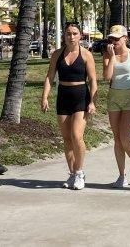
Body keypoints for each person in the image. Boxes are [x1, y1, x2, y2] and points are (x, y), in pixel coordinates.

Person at [41, 22, 97, 190]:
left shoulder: (86, 55)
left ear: (80, 35)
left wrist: (93, 101)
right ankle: (72, 173)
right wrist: (44, 97)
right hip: (63, 96)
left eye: (74, 33)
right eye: (68, 33)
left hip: (81, 96)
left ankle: (80, 172)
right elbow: (50, 77)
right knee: (66, 138)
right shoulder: (57, 54)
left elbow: (93, 80)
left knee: (76, 136)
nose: (71, 36)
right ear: (64, 35)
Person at [102, 24, 130, 188]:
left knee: (124, 137)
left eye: (117, 38)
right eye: (111, 39)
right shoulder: (108, 55)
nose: (113, 41)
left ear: (125, 39)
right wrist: (112, 57)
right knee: (117, 139)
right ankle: (122, 175)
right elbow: (107, 77)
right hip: (114, 97)